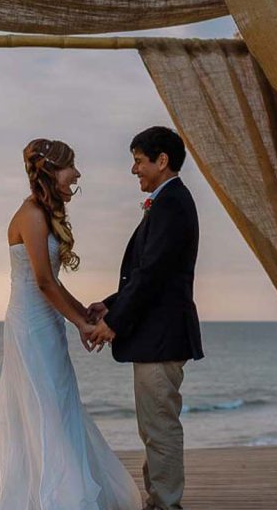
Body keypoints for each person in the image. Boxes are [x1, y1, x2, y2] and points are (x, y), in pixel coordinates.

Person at [0, 138, 143, 510]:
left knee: (59, 403)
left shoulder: (43, 214)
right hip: (30, 327)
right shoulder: (30, 215)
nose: (76, 174)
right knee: (44, 406)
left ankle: (66, 487)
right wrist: (81, 323)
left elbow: (55, 284)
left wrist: (87, 315)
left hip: (46, 323)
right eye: (70, 167)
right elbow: (43, 282)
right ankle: (57, 496)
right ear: (50, 171)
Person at [88, 126, 204, 510]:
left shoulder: (172, 203)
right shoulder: (168, 200)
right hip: (158, 334)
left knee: (159, 426)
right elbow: (148, 272)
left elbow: (152, 274)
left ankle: (167, 503)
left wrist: (114, 322)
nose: (134, 169)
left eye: (139, 161)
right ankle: (159, 499)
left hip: (161, 336)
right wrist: (110, 304)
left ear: (162, 161)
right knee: (153, 425)